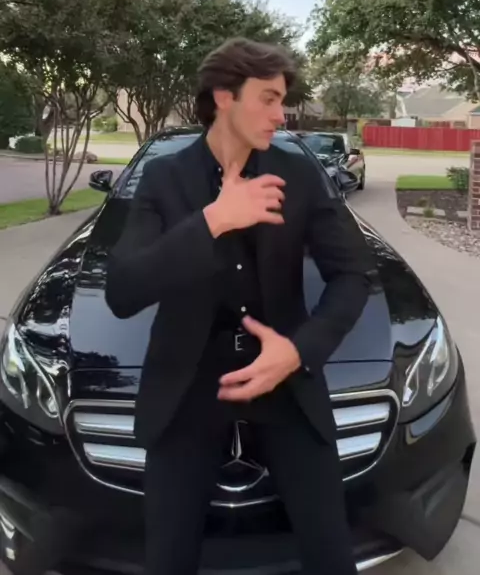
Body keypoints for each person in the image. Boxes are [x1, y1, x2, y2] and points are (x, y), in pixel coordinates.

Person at [105, 37, 378, 575]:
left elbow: (355, 275)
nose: (282, 114)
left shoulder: (299, 174)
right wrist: (213, 220)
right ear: (224, 96)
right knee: (168, 559)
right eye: (268, 99)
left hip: (285, 375)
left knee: (330, 553)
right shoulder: (163, 178)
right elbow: (123, 291)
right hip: (188, 383)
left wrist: (298, 351)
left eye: (283, 100)